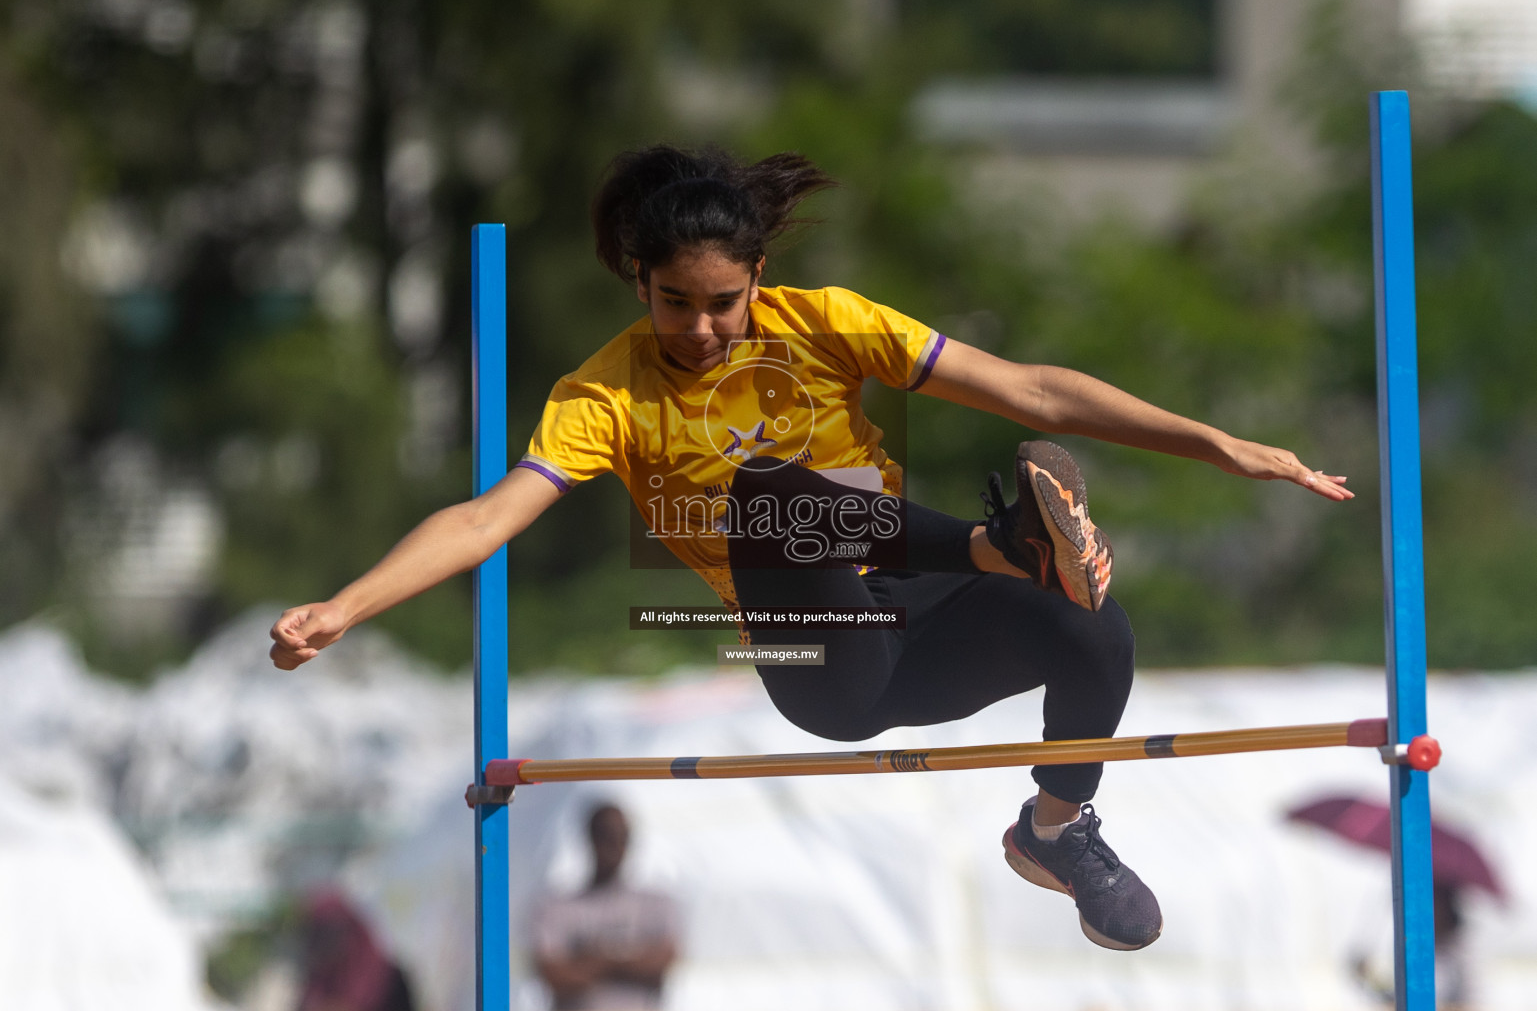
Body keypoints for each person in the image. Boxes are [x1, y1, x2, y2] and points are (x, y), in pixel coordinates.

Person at [269, 145, 1353, 952]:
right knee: (770, 492)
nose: (700, 332)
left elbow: (1031, 389)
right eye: (674, 306)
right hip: (821, 655)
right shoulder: (603, 394)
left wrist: (1215, 445)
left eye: (724, 305)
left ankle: (1056, 828)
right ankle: (999, 546)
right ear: (637, 282)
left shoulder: (825, 321)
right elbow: (484, 517)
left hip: (924, 618)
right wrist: (345, 606)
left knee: (1093, 625)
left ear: (759, 275)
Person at [531, 803, 681, 1010]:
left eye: (622, 837)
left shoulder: (656, 902)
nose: (615, 845)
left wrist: (593, 960)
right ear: (591, 838)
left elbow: (664, 959)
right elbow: (553, 973)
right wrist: (630, 960)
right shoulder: (557, 906)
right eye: (606, 836)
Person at [295, 889, 416, 1011]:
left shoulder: (389, 979)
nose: (331, 941)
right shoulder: (321, 981)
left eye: (335, 931)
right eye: (322, 933)